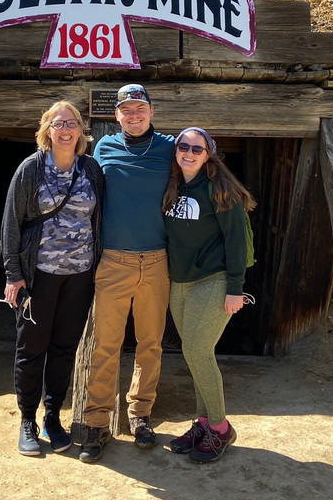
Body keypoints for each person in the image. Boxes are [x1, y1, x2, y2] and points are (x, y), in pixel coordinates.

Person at [0, 101, 104, 457]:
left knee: (64, 349)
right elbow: (11, 224)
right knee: (32, 348)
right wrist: (14, 275)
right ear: (47, 130)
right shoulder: (31, 169)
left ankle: (53, 417)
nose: (65, 128)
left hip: (80, 276)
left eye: (72, 122)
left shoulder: (90, 169)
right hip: (39, 275)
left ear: (80, 131)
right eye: (58, 123)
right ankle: (27, 420)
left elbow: (99, 219)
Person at [80, 84, 176, 463]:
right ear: (116, 115)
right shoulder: (103, 148)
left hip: (157, 261)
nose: (133, 115)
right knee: (105, 344)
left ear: (151, 111)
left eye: (140, 108)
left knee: (150, 343)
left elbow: (206, 168)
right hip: (114, 261)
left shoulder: (172, 148)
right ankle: (98, 422)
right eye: (126, 110)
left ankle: (139, 415)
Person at [162, 126, 256, 463]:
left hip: (214, 280)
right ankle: (202, 423)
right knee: (193, 353)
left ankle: (220, 428)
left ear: (208, 155)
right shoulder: (171, 186)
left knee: (198, 349)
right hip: (180, 282)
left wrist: (235, 289)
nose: (188, 153)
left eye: (197, 149)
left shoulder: (219, 190)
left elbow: (234, 241)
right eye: (183, 146)